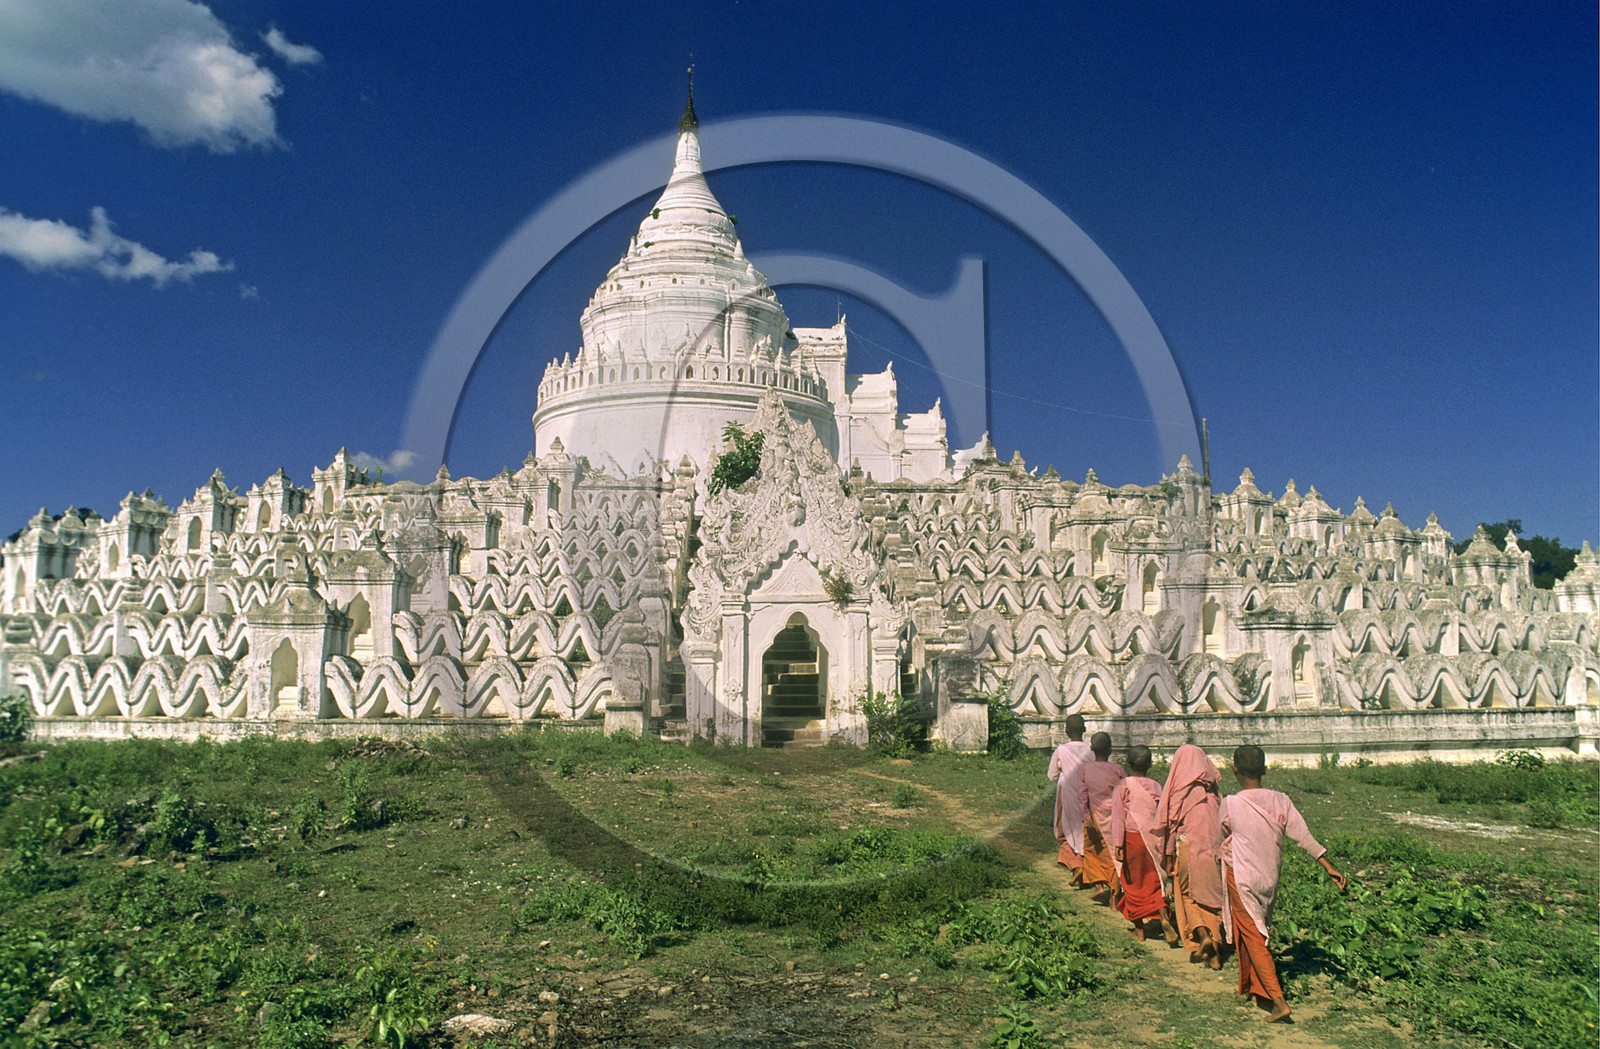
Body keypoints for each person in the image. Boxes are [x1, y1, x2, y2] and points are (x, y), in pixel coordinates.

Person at [1219, 744, 1346, 1023]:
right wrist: (1329, 866)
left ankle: (1278, 1001)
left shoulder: (1230, 803)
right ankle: (1256, 988)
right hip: (1270, 876)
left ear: (1235, 770)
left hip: (1241, 876)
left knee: (1253, 935)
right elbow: (1304, 836)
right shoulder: (1281, 800)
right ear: (1265, 769)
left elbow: (1222, 835)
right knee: (1259, 929)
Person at [1151, 743, 1226, 968]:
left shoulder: (1179, 792)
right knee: (1212, 898)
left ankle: (1202, 936)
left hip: (1187, 848)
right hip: (1214, 852)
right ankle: (1215, 945)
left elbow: (1172, 824)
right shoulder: (1213, 793)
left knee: (1187, 894)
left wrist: (1168, 856)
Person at [1110, 745, 1173, 942]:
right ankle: (1163, 916)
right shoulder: (1156, 786)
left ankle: (1139, 930)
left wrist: (1118, 844)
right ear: (1151, 764)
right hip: (1153, 839)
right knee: (1155, 881)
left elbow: (1118, 818)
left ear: (1127, 762)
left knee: (1132, 883)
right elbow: (1162, 815)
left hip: (1132, 838)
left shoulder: (1123, 786)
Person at [1075, 731, 1126, 906]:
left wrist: (1085, 816)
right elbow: (1126, 793)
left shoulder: (1085, 769)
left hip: (1093, 817)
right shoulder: (1118, 769)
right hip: (1114, 818)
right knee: (1114, 854)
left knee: (1094, 852)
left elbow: (1082, 795)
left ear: (1091, 749)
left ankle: (1099, 887)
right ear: (1111, 749)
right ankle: (1114, 894)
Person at [1047, 714, 1094, 882]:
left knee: (1064, 832)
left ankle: (1076, 866)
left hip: (1066, 794)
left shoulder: (1062, 750)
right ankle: (1085, 866)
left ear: (1066, 730)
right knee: (1084, 830)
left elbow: (1052, 775)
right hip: (1088, 795)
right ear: (1084, 729)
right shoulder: (1091, 750)